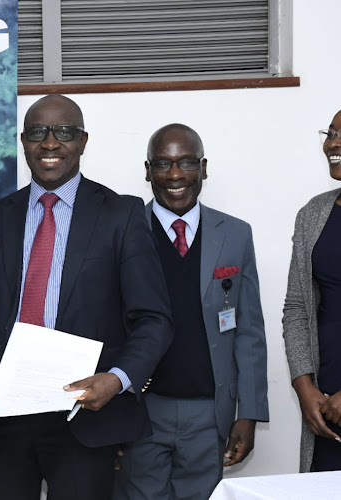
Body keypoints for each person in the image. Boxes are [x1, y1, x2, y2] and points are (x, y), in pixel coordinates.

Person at [0, 94, 173, 499]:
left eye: (64, 132)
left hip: (84, 412)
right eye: (37, 133)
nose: (50, 143)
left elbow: (153, 318)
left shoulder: (121, 215)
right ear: (23, 142)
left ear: (83, 141)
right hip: (4, 417)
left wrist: (117, 380)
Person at [113, 124, 269, 500]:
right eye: (163, 164)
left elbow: (249, 332)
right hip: (142, 409)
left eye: (186, 162)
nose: (175, 175)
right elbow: (104, 325)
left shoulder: (235, 234)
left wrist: (247, 413)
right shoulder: (122, 232)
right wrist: (108, 420)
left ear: (203, 167)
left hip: (209, 411)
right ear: (148, 171)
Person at [283, 110, 341, 472]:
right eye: (331, 133)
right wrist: (304, 385)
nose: (333, 144)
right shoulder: (314, 214)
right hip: (325, 405)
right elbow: (297, 307)